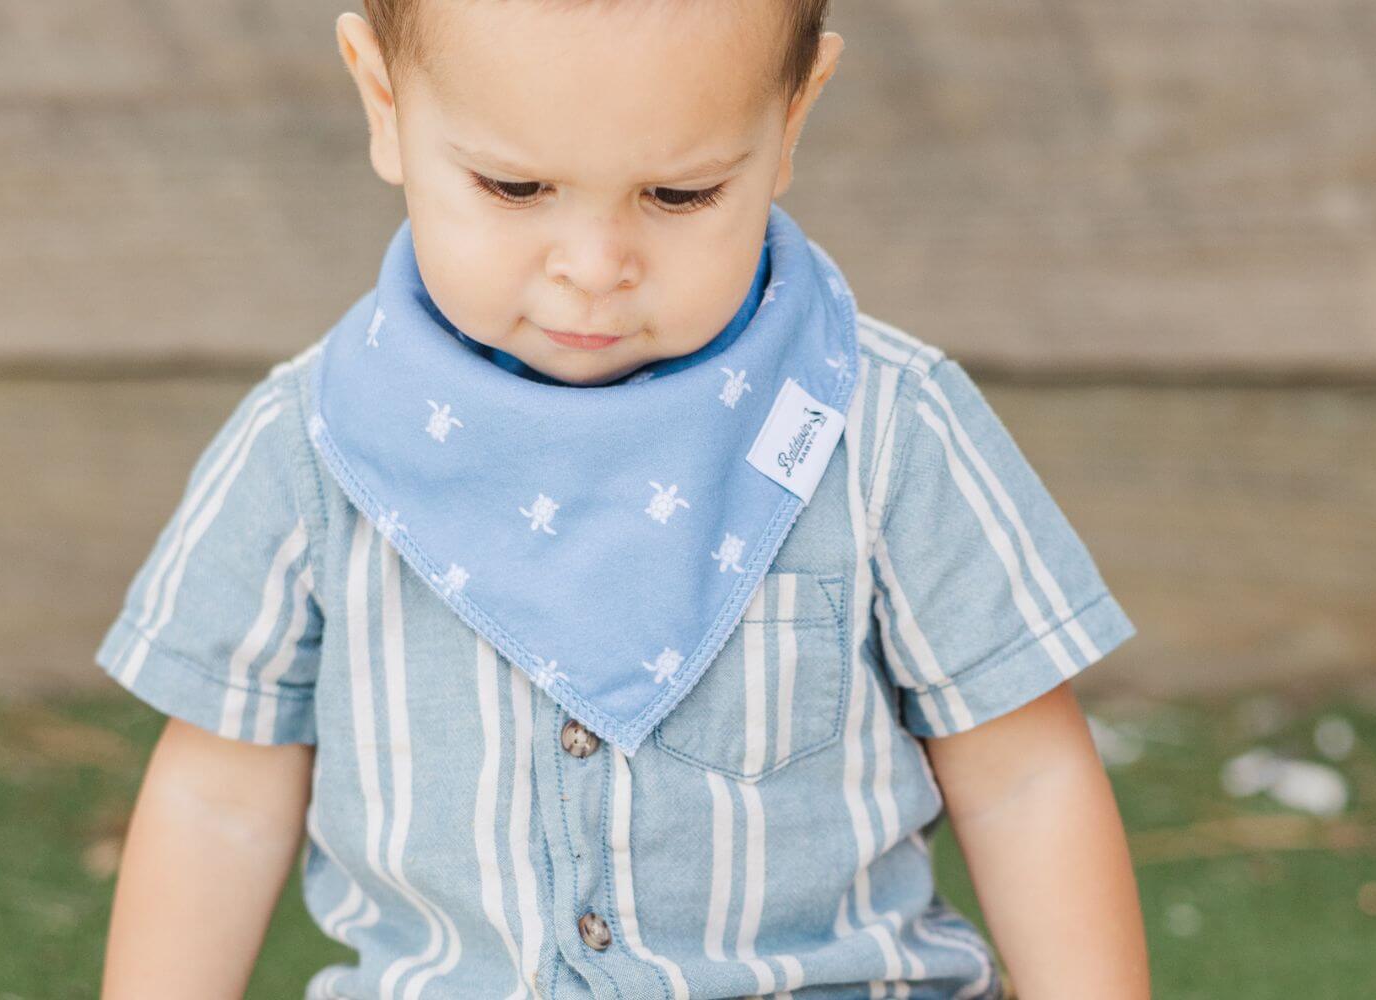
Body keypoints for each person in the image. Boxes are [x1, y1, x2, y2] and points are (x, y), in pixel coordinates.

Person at [94, 1, 1149, 997]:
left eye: (679, 195)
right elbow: (218, 800)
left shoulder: (881, 429)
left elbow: (1021, 778)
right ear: (384, 104)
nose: (594, 269)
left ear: (791, 120)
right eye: (514, 188)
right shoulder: (314, 447)